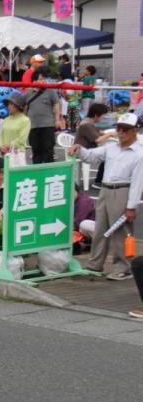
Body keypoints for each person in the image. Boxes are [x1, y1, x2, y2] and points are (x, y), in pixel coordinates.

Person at [73, 112, 143, 280]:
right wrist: (80, 149)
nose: (121, 132)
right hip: (105, 189)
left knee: (121, 231)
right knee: (100, 229)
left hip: (123, 191)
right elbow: (91, 156)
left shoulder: (139, 154)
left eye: (126, 129)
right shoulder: (111, 148)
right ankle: (95, 264)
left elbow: (137, 183)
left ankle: (123, 267)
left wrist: (131, 206)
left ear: (135, 131)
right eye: (119, 128)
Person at [23, 76, 65, 163]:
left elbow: (56, 104)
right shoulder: (29, 92)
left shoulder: (50, 91)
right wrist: (24, 121)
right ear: (34, 81)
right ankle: (37, 172)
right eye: (40, 79)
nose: (43, 81)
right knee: (36, 150)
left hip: (48, 125)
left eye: (44, 79)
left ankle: (48, 172)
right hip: (33, 126)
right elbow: (25, 107)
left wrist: (57, 119)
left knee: (48, 150)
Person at [0, 94, 31, 164]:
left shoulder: (25, 120)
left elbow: (22, 139)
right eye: (8, 104)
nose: (8, 106)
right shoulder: (6, 119)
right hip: (3, 153)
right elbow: (0, 135)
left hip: (16, 153)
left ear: (18, 106)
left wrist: (8, 146)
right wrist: (0, 146)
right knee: (3, 173)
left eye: (11, 104)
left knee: (16, 174)